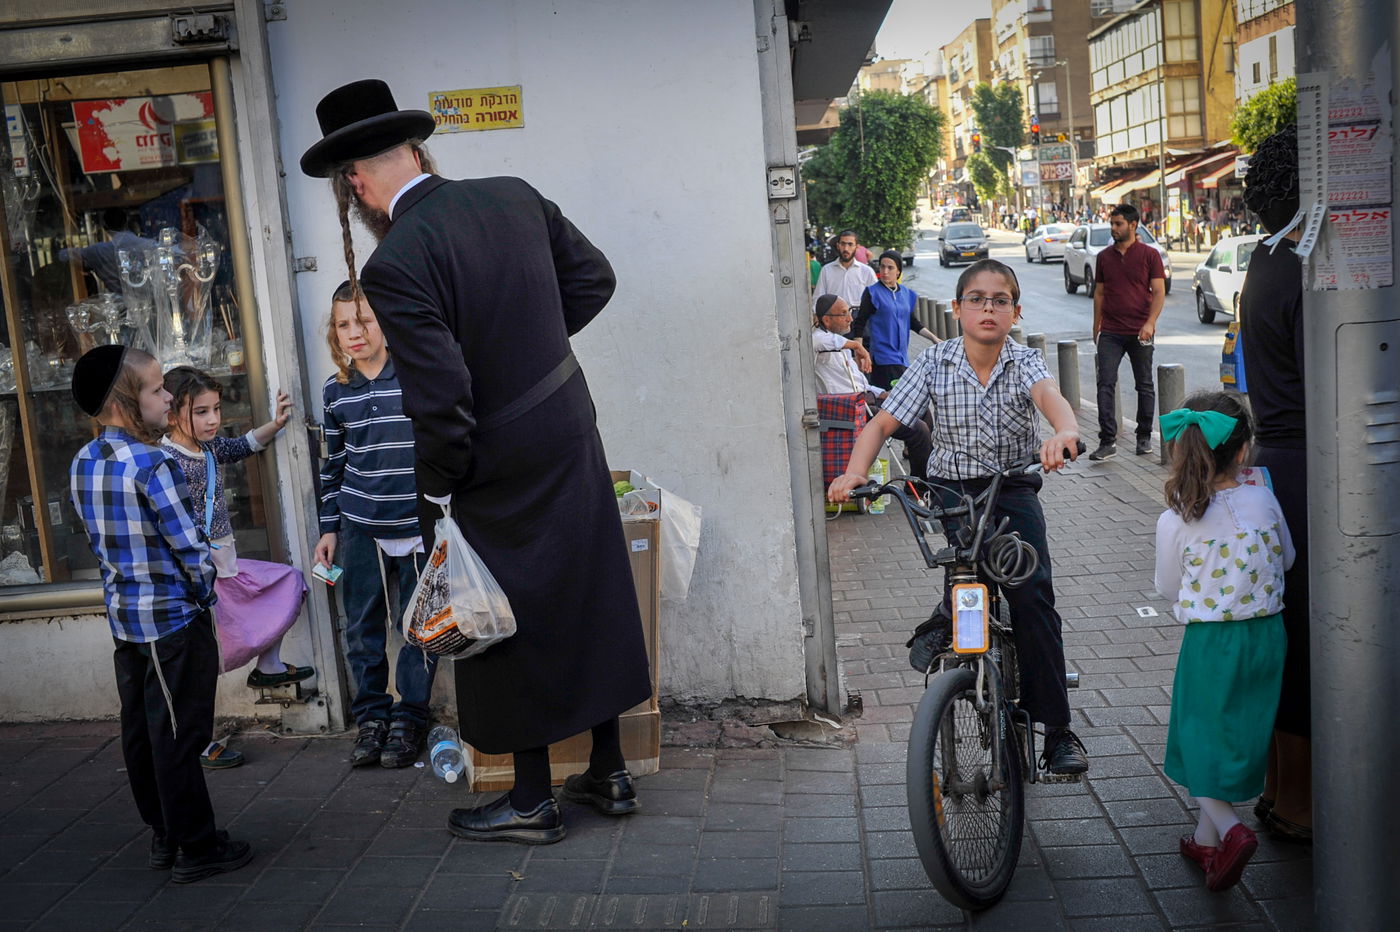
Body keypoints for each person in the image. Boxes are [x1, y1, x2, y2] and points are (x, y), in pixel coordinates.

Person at [301, 79, 651, 844]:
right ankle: (611, 771)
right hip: (569, 426)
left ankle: (530, 798)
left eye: (350, 184)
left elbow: (444, 397)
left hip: (495, 461)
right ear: (415, 150)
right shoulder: (512, 194)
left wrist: (439, 489)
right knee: (587, 593)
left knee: (501, 621)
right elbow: (594, 280)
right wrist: (533, 355)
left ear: (356, 181)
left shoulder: (396, 262)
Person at [827, 259, 1089, 775]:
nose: (988, 308)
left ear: (1015, 311)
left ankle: (1057, 730)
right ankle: (953, 614)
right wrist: (855, 473)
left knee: (1033, 594)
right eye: (977, 299)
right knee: (967, 574)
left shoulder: (1025, 361)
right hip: (951, 492)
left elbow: (1052, 400)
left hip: (1011, 488)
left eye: (1000, 300)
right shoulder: (935, 362)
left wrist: (1063, 432)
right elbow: (881, 424)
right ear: (957, 308)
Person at [68, 345, 251, 883]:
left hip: (127, 621)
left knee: (144, 735)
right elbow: (190, 549)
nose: (167, 396)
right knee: (178, 737)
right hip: (173, 620)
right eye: (155, 389)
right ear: (127, 401)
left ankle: (165, 835)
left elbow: (99, 544)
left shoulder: (85, 462)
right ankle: (195, 847)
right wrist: (206, 597)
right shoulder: (153, 463)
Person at [1154, 392, 1293, 892]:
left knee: (1198, 739)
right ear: (1243, 451)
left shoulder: (1176, 519)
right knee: (1237, 735)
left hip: (1212, 643)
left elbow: (1167, 587)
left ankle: (1233, 832)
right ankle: (1206, 842)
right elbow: (1289, 559)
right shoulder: (1264, 498)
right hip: (1268, 637)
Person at [160, 366, 312, 770]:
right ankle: (200, 742)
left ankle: (268, 666)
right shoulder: (165, 459)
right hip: (198, 578)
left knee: (290, 581)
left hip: (228, 569)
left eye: (216, 410)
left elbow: (243, 445)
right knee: (198, 670)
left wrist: (276, 424)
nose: (212, 420)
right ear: (172, 413)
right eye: (201, 412)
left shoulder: (209, 449)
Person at [315, 282, 439, 770]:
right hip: (359, 526)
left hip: (415, 525)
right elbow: (334, 465)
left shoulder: (414, 376)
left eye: (364, 320)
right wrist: (329, 528)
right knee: (362, 626)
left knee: (417, 625)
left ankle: (411, 715)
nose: (355, 332)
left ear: (384, 321)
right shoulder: (335, 391)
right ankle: (372, 715)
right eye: (344, 324)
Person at [1239, 125, 1312, 843]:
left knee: (1288, 625)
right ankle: (1301, 801)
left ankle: (1279, 789)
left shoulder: (1267, 260)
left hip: (1276, 464)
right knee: (1315, 633)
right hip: (1308, 472)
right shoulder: (1305, 270)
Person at [813, 294, 932, 481]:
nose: (850, 318)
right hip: (853, 408)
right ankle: (921, 485)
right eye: (843, 314)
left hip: (868, 398)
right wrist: (858, 347)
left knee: (922, 409)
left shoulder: (840, 343)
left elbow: (863, 384)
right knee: (918, 429)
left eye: (850, 312)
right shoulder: (821, 341)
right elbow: (818, 342)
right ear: (826, 320)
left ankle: (923, 472)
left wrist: (884, 393)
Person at [1090, 203, 1166, 460]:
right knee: (1105, 383)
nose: (1113, 228)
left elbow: (1159, 292)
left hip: (1140, 331)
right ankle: (1107, 440)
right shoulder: (1104, 257)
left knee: (1144, 385)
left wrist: (1150, 322)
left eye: (1118, 224)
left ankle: (1143, 437)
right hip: (1110, 330)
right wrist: (1096, 325)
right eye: (1112, 223)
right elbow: (1099, 293)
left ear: (1133, 225)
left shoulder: (1149, 255)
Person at [850, 250, 940, 390]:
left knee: (893, 402)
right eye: (882, 266)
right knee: (904, 397)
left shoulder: (907, 294)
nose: (885, 271)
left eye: (890, 268)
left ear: (898, 271)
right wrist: (859, 351)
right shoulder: (872, 293)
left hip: (902, 357)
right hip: (883, 357)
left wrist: (933, 338)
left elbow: (913, 322)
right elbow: (860, 323)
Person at [812, 230, 877, 312]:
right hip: (834, 317)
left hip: (859, 319)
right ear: (838, 246)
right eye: (843, 244)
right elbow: (818, 296)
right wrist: (816, 313)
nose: (846, 249)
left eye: (850, 244)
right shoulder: (827, 270)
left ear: (856, 247)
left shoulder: (867, 271)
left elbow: (875, 298)